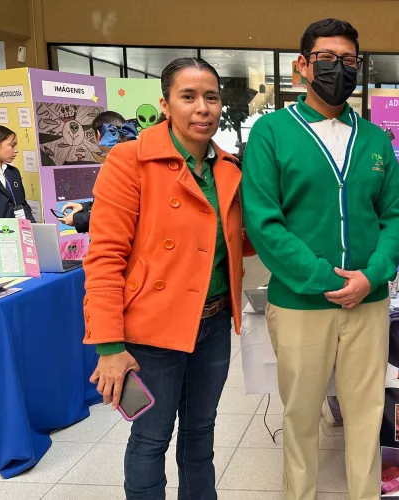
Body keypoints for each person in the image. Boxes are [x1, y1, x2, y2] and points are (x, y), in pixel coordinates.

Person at [241, 18, 399, 500]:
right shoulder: (272, 133)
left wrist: (372, 276)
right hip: (300, 303)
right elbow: (264, 221)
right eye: (327, 59)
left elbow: (395, 215)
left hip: (368, 302)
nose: (340, 68)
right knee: (300, 415)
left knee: (365, 413)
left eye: (349, 60)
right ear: (303, 65)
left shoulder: (375, 140)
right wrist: (322, 278)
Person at [83, 57, 248, 500]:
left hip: (213, 325)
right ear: (165, 104)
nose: (202, 108)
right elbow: (104, 257)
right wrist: (109, 346)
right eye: (188, 96)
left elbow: (238, 241)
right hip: (150, 331)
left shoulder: (228, 168)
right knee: (150, 438)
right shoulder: (130, 160)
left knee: (200, 433)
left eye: (211, 97)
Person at [59, 111, 137, 232]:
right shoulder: (133, 158)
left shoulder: (116, 165)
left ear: (98, 135)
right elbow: (114, 202)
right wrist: (84, 207)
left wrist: (77, 219)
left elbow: (112, 215)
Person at [0, 125, 35, 222]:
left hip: (17, 230)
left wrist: (31, 226)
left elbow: (22, 204)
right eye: (12, 145)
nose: (16, 150)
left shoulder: (13, 172)